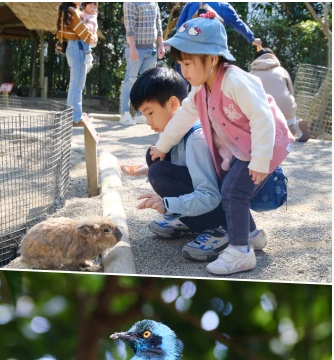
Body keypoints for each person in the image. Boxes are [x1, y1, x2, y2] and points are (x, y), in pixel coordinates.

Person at [150, 14, 293, 275]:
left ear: (213, 58)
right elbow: (183, 117)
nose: (184, 70)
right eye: (181, 63)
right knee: (229, 187)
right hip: (240, 149)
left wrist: (261, 160)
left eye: (189, 63)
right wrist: (162, 146)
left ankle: (240, 251)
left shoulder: (235, 81)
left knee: (233, 192)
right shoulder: (201, 88)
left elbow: (263, 118)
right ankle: (251, 235)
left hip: (263, 146)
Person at [124, 67, 232, 261]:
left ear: (173, 103)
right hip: (204, 199)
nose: (148, 121)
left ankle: (219, 230)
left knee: (159, 172)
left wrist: (168, 205)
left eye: (150, 112)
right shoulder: (173, 135)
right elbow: (184, 166)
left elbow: (211, 195)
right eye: (144, 115)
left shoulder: (195, 139)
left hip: (222, 211)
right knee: (153, 158)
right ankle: (192, 222)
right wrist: (144, 168)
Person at [120, 2, 165, 125]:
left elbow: (158, 24)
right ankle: (125, 113)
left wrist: (161, 45)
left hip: (151, 49)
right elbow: (129, 25)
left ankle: (142, 114)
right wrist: (132, 48)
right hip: (136, 49)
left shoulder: (154, 2)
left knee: (148, 82)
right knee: (130, 80)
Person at [56, 2, 97, 126]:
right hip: (77, 48)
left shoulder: (66, 10)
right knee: (77, 85)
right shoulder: (73, 11)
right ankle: (75, 117)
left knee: (75, 85)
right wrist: (93, 39)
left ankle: (72, 115)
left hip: (72, 47)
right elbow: (82, 30)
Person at [250, 48, 302, 138]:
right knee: (288, 120)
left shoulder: (251, 74)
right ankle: (294, 126)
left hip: (264, 118)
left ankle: (276, 132)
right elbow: (291, 93)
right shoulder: (282, 71)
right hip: (286, 114)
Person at [176, 2, 261, 48]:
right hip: (210, 49)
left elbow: (179, 26)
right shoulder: (223, 5)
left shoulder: (190, 3)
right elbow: (238, 24)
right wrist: (252, 39)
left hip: (186, 46)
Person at [79, 2, 99, 74]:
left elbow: (92, 25)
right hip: (87, 36)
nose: (93, 9)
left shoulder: (93, 16)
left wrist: (85, 27)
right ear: (84, 7)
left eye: (94, 7)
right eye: (91, 7)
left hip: (90, 36)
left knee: (84, 38)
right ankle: (88, 60)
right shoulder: (83, 13)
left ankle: (88, 55)